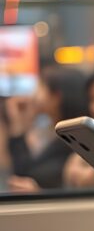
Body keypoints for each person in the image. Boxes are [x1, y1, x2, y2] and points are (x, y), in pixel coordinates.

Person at [4, 64, 87, 192]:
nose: (33, 94)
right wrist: (19, 124)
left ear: (56, 97)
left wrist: (39, 193)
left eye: (41, 87)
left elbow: (29, 174)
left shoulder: (76, 142)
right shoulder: (51, 133)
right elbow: (22, 173)